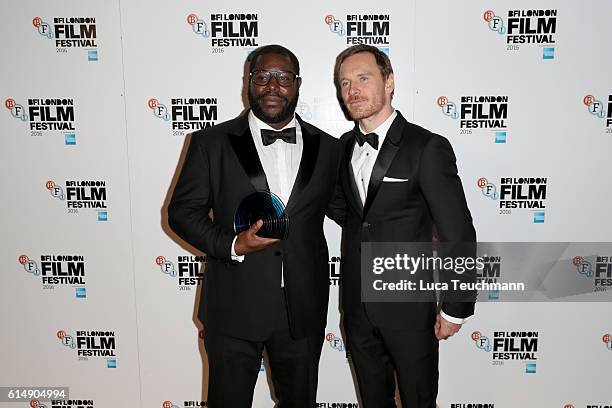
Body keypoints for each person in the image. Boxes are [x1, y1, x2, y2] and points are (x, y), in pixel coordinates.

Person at [168, 44, 340, 407]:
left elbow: (353, 212)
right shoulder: (210, 143)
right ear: (249, 82)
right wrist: (231, 244)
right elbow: (182, 212)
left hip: (302, 311)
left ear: (298, 84)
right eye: (262, 77)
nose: (272, 86)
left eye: (283, 78)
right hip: (234, 306)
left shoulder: (330, 149)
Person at [327, 44, 476, 407]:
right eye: (345, 83)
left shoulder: (427, 147)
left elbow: (458, 232)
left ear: (389, 81)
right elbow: (354, 215)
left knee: (418, 400)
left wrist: (455, 305)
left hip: (409, 307)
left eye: (363, 78)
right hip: (357, 306)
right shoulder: (343, 147)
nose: (353, 91)